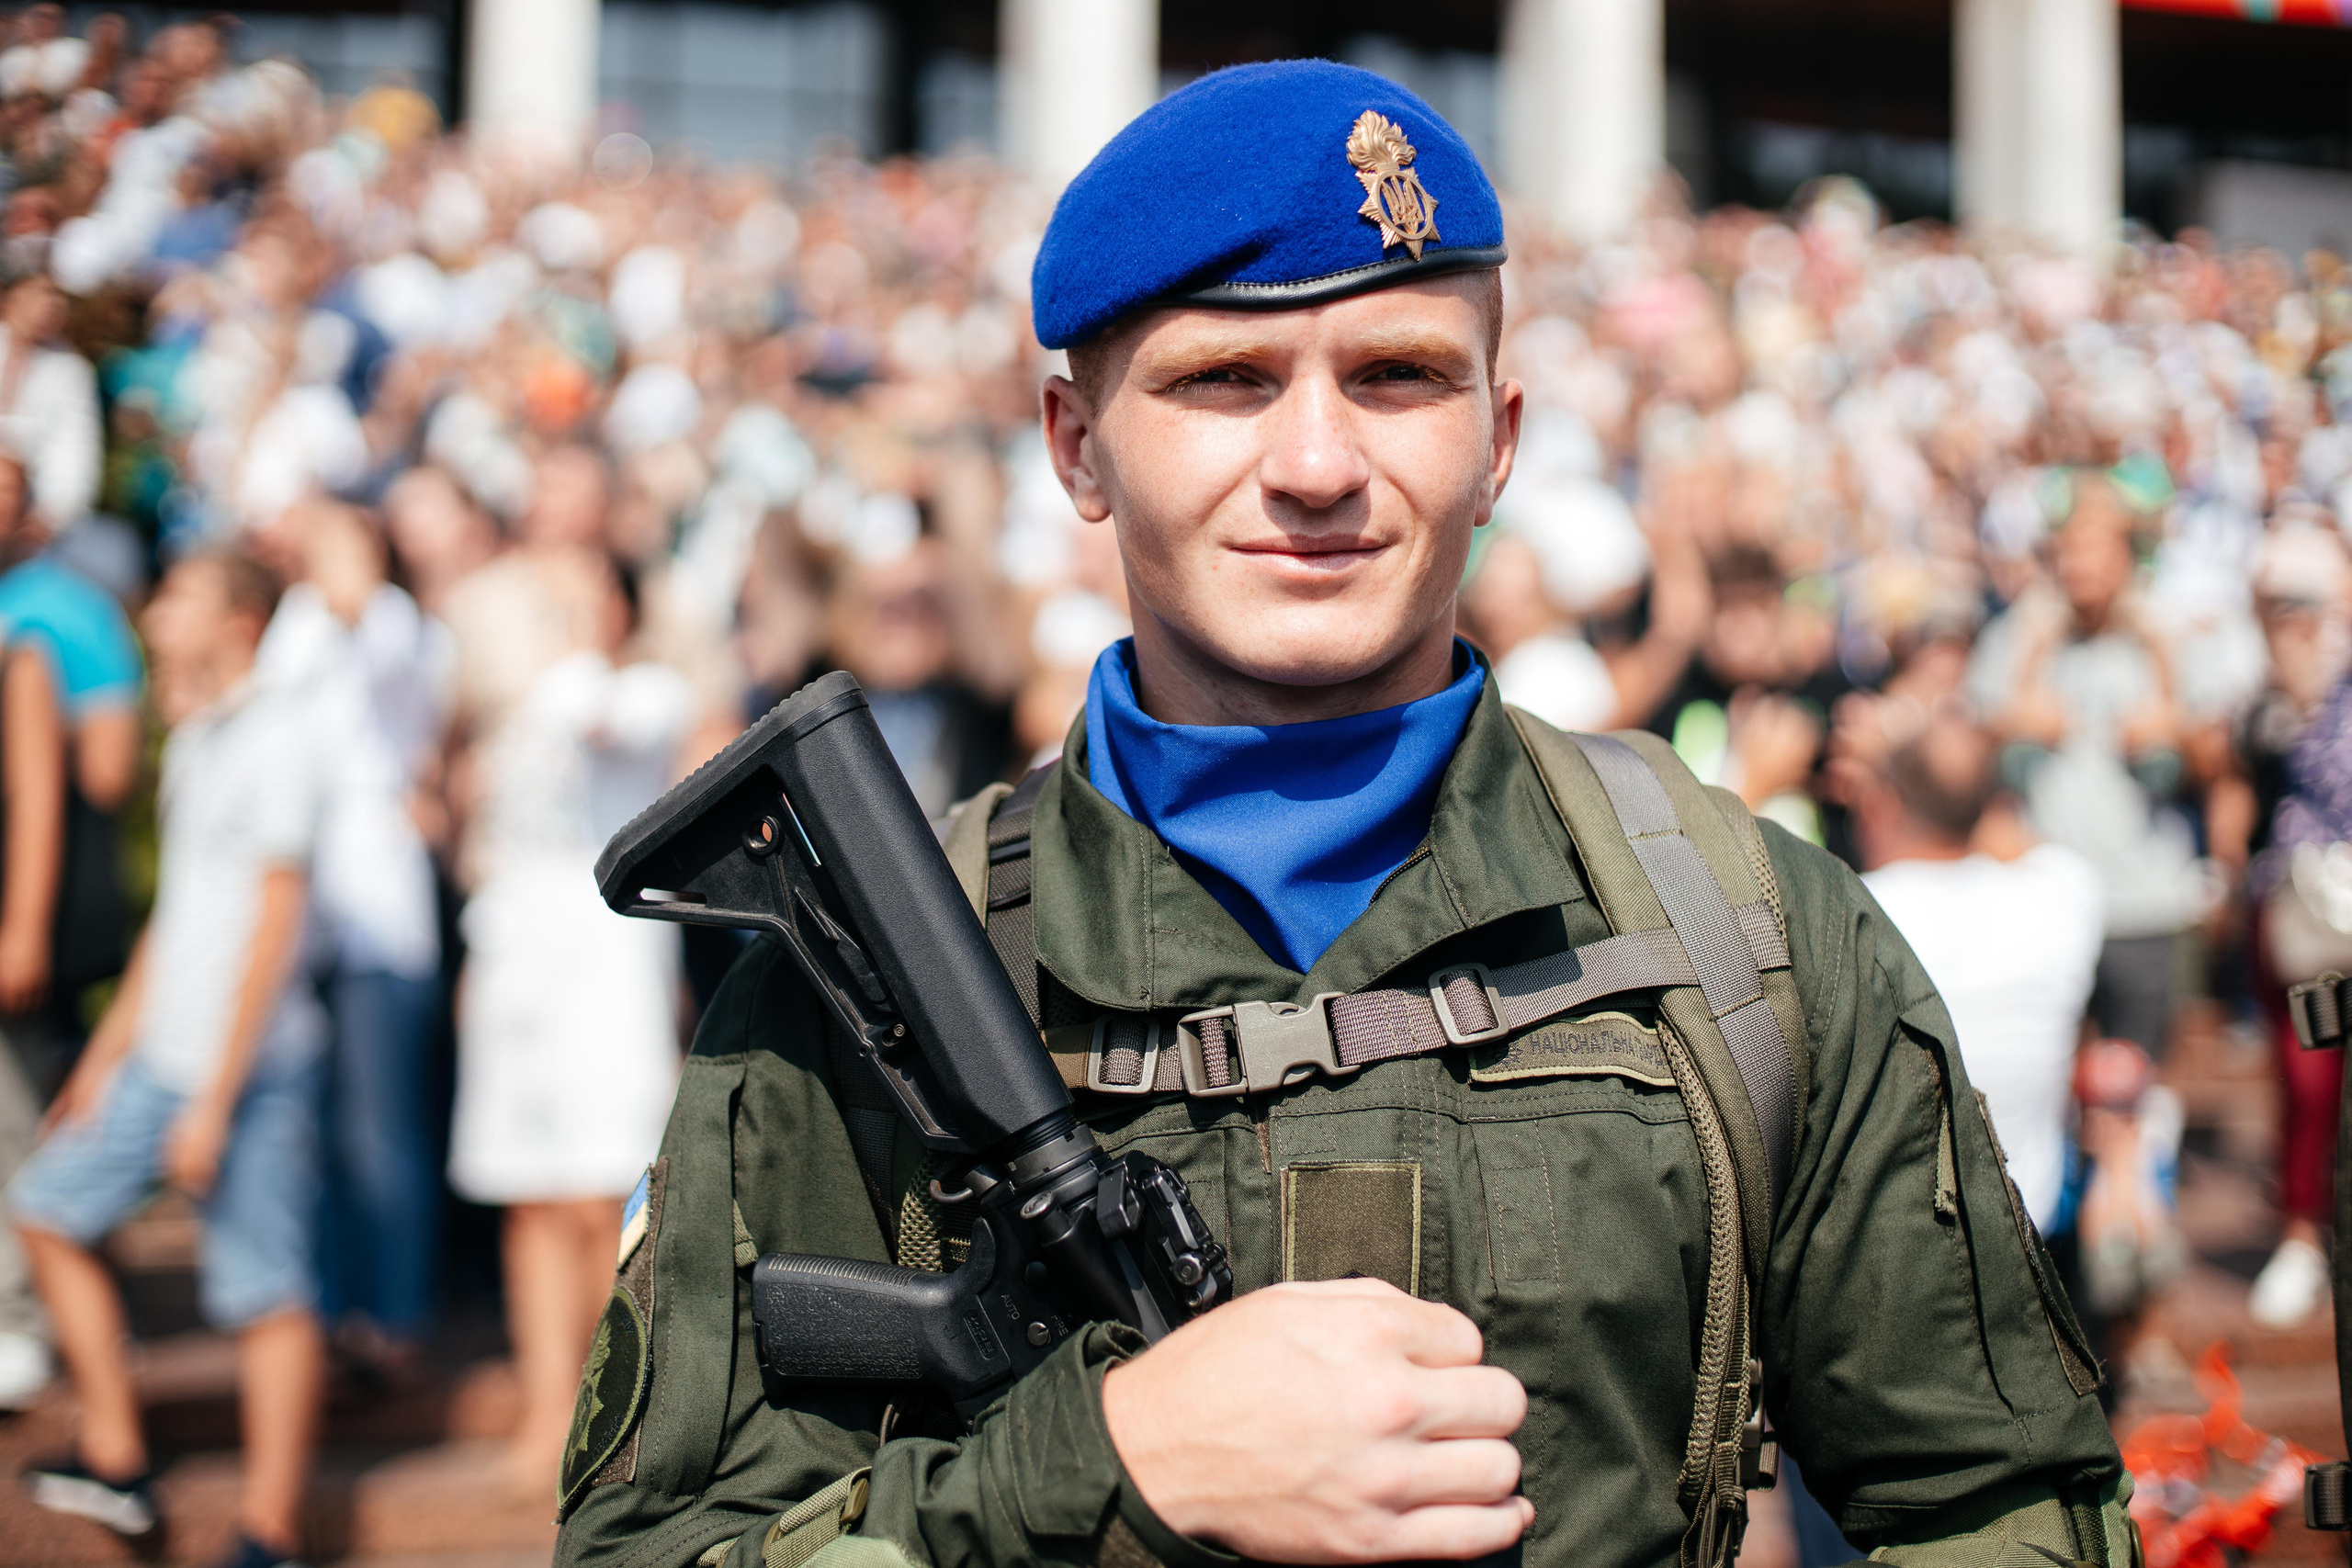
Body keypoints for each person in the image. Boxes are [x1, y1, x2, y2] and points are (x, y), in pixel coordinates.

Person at [555, 64, 2128, 1568]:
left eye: (1397, 376)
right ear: (1078, 447)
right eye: (1223, 381)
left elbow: (2002, 1502)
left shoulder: (1749, 935)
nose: (1317, 466)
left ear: (1499, 438)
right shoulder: (872, 981)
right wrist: (1106, 1467)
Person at [9, 548, 324, 1568]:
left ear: (240, 622)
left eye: (182, 595)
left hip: (251, 1068)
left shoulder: (280, 737)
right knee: (47, 1208)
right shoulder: (194, 737)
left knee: (266, 1290)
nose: (156, 613)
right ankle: (117, 1456)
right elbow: (177, 917)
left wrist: (216, 1100)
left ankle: (271, 1531)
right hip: (163, 1056)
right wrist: (103, 1058)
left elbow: (275, 927)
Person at [446, 545, 689, 1495]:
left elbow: (593, 714)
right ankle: (545, 1404)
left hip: (606, 976)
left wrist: (561, 638)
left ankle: (608, 1416)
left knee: (600, 1199)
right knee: (528, 1195)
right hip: (519, 973)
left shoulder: (643, 694)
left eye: (584, 591)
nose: (559, 606)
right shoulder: (519, 712)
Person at [1969, 476, 2211, 1059]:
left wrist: (2174, 726)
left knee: (2136, 1077)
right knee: (2048, 1072)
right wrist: (2014, 717)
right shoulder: (2017, 635)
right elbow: (1967, 752)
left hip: (2143, 901)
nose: (2081, 565)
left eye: (2096, 547)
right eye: (2070, 548)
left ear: (2127, 554)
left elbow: (2219, 766)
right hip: (2044, 896)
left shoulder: (2164, 636)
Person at [1851, 708, 2103, 1235]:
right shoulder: (2062, 896)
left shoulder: (1853, 911)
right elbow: (2021, 840)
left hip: (1897, 1236)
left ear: (1881, 805)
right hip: (2028, 1224)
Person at [0, 634, 67, 1409]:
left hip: (6, 935)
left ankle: (18, 1318)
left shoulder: (16, 659)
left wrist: (23, 923)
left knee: (11, 1123)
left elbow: (36, 793)